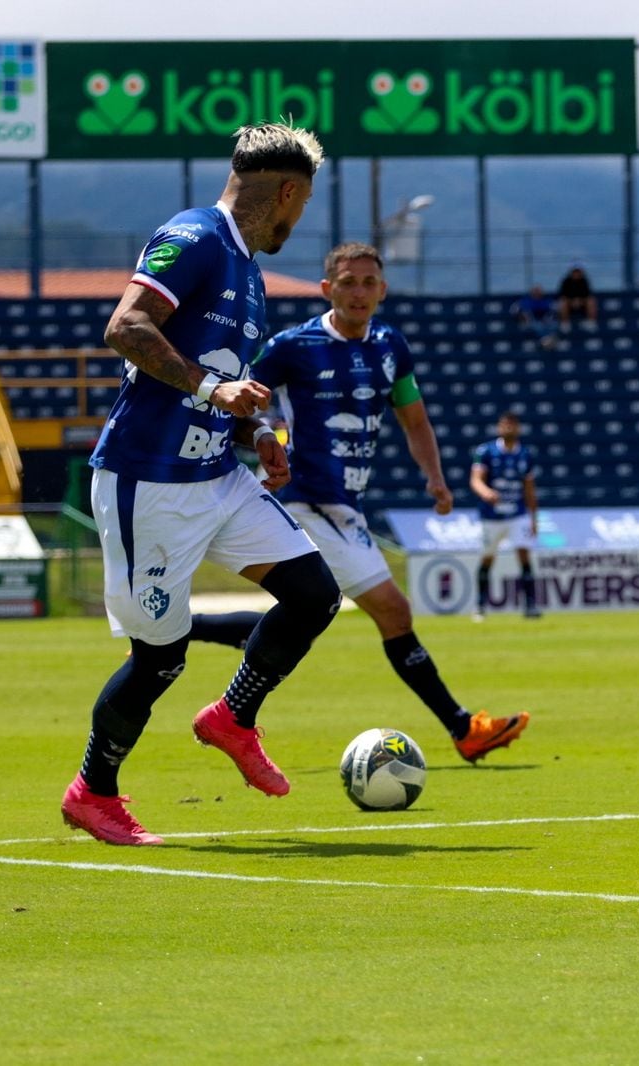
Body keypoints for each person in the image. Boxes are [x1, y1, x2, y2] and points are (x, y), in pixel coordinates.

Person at [59, 123, 340, 847]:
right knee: (159, 658)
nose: (298, 219)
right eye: (300, 204)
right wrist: (212, 389)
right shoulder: (195, 238)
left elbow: (223, 382)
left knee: (314, 594)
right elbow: (126, 328)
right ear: (287, 192)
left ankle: (233, 717)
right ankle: (93, 791)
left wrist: (258, 432)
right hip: (148, 482)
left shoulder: (246, 267)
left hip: (216, 476)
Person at [188, 243, 530, 765]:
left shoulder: (391, 347)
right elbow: (241, 399)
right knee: (384, 611)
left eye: (369, 282)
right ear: (327, 289)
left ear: (383, 290)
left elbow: (414, 419)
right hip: (302, 498)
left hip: (345, 506)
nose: (359, 292)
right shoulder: (294, 345)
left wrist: (435, 478)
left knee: (306, 613)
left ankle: (180, 634)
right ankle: (464, 729)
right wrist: (263, 436)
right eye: (347, 282)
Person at [470, 411, 541, 620]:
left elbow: (529, 489)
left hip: (517, 514)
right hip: (491, 516)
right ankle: (480, 605)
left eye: (512, 425)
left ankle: (530, 606)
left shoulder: (525, 454)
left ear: (518, 428)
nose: (508, 428)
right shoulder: (486, 451)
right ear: (499, 428)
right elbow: (475, 479)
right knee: (487, 557)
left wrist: (533, 518)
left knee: (524, 553)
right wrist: (486, 492)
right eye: (504, 424)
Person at [513, 283, 559, 350]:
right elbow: (514, 310)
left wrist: (547, 318)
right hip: (530, 322)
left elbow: (555, 310)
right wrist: (523, 316)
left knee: (554, 325)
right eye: (535, 291)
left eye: (539, 291)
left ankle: (545, 341)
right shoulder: (524, 302)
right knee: (538, 326)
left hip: (545, 322)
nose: (537, 293)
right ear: (531, 292)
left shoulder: (547, 301)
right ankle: (546, 341)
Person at [556, 265, 598, 331]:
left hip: (582, 304)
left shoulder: (584, 281)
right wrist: (572, 301)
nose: (576, 274)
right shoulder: (566, 281)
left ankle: (591, 322)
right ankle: (565, 323)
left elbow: (587, 295)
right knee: (563, 301)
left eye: (578, 272)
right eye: (575, 272)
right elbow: (562, 295)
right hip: (569, 304)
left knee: (591, 300)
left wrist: (579, 301)